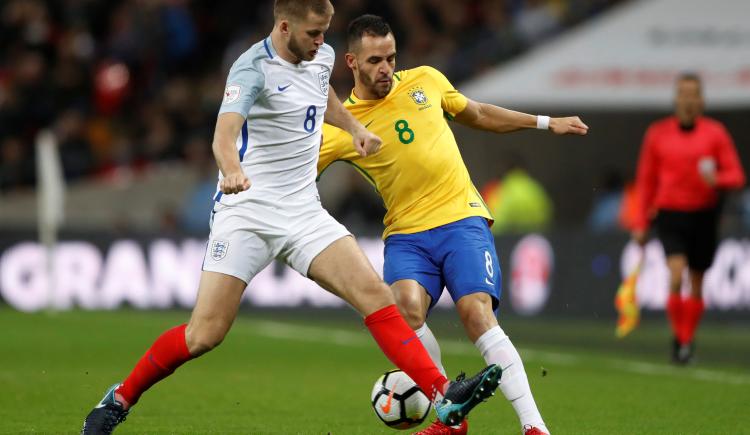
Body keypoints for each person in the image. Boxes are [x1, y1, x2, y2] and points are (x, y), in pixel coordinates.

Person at [80, 2, 502, 434]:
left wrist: (353, 128)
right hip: (248, 211)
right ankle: (120, 398)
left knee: (376, 296)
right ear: (285, 27)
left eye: (326, 33)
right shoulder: (250, 69)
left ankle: (442, 395)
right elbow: (223, 135)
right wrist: (232, 170)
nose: (323, 43)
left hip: (303, 211)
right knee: (203, 334)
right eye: (314, 34)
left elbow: (322, 95)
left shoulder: (321, 54)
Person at [318, 15, 588, 435]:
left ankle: (534, 427)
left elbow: (477, 113)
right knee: (404, 312)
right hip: (406, 235)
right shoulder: (339, 126)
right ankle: (450, 413)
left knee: (475, 313)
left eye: (390, 57)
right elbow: (294, 174)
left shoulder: (425, 79)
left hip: (461, 218)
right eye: (375, 60)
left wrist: (545, 122)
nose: (386, 67)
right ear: (351, 62)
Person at [632, 73, 745, 365]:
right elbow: (646, 181)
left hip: (704, 214)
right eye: (683, 94)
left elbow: (737, 175)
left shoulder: (715, 133)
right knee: (676, 272)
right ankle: (679, 338)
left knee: (696, 281)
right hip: (670, 213)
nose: (689, 100)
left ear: (702, 100)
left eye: (694, 94)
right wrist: (641, 222)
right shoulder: (657, 134)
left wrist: (715, 178)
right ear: (676, 99)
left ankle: (686, 340)